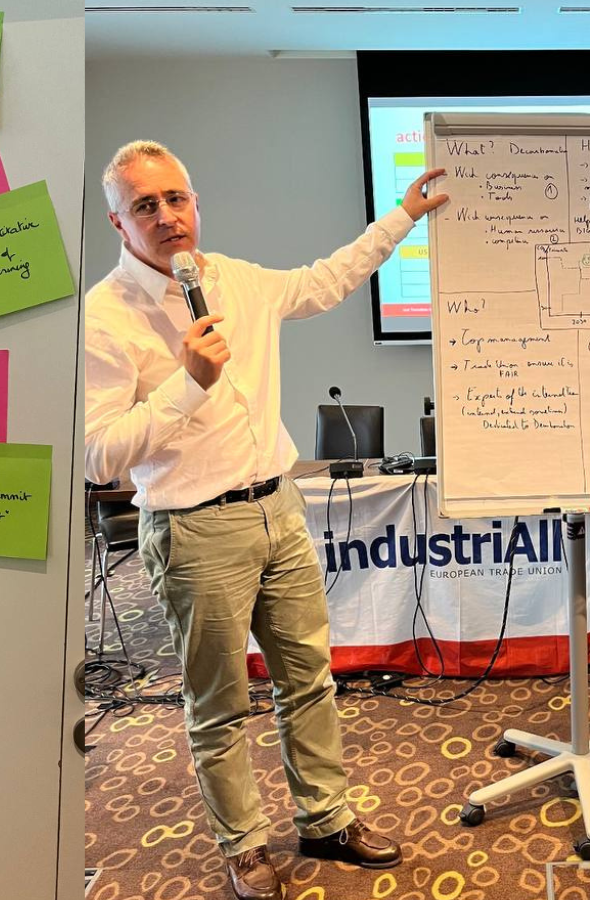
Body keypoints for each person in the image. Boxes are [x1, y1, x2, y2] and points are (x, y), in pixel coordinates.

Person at [84, 140, 447, 900]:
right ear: (119, 222)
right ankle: (244, 847)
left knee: (308, 680)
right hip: (194, 530)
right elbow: (98, 456)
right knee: (219, 705)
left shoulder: (236, 281)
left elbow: (327, 280)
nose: (166, 216)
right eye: (145, 206)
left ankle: (325, 819)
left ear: (195, 203)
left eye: (175, 198)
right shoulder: (103, 317)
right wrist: (188, 383)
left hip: (279, 507)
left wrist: (403, 217)